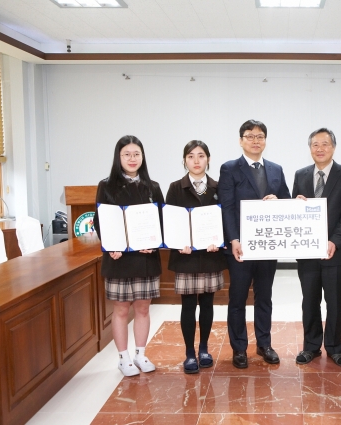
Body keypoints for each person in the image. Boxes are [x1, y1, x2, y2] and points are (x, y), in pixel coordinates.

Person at [218, 119, 291, 369]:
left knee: (264, 297)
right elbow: (226, 207)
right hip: (240, 247)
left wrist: (278, 200)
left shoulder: (276, 169)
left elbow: (286, 202)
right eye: (250, 136)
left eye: (260, 136)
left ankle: (264, 344)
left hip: (268, 246)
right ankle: (239, 348)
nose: (255, 140)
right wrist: (233, 239)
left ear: (265, 141)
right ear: (241, 140)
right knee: (237, 299)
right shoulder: (229, 169)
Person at [93, 135, 164, 377]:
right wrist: (111, 245)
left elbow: (161, 222)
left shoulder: (153, 187)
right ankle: (123, 358)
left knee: (143, 309)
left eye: (136, 154)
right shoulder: (106, 185)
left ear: (142, 157)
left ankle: (140, 354)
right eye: (127, 154)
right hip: (118, 259)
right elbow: (100, 220)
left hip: (145, 259)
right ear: (118, 157)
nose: (132, 159)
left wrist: (154, 244)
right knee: (121, 309)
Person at [292, 128, 341, 367]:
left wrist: (334, 241)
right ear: (310, 148)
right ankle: (311, 346)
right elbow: (295, 216)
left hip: (336, 253)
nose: (320, 149)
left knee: (334, 302)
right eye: (315, 145)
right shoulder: (300, 175)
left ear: (334, 147)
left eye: (325, 144)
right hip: (307, 253)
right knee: (309, 301)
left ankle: (334, 347)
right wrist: (294, 206)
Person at [165, 140, 228, 374]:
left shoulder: (218, 187)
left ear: (208, 159)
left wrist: (218, 240)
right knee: (189, 305)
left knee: (208, 304)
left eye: (201, 156)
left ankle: (204, 348)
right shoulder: (175, 188)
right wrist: (177, 243)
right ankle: (189, 353)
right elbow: (169, 221)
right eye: (191, 156)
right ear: (184, 161)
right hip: (186, 257)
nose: (196, 161)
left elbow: (224, 219)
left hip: (211, 255)